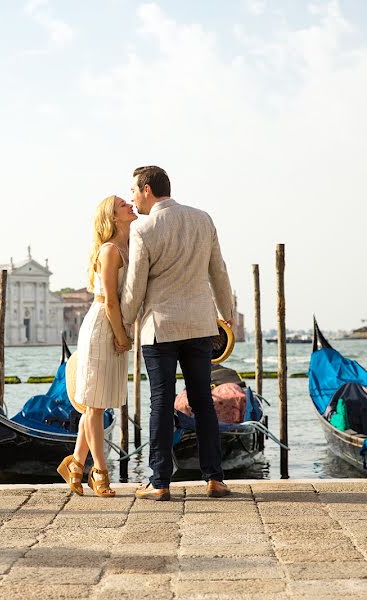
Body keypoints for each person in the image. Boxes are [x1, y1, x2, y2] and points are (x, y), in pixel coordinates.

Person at [121, 165, 234, 501]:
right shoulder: (203, 219)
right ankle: (214, 478)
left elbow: (135, 287)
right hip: (201, 325)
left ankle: (159, 482)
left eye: (133, 191)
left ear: (146, 189)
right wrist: (227, 316)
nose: (131, 197)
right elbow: (219, 272)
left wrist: (123, 325)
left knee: (160, 403)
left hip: (160, 328)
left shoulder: (143, 229)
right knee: (203, 403)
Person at [57, 195, 137, 497]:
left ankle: (75, 465)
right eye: (122, 205)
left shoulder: (129, 246)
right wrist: (120, 335)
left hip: (113, 325)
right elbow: (111, 300)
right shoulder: (110, 250)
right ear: (112, 217)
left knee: (96, 403)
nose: (129, 205)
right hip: (102, 326)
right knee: (94, 406)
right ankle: (100, 471)